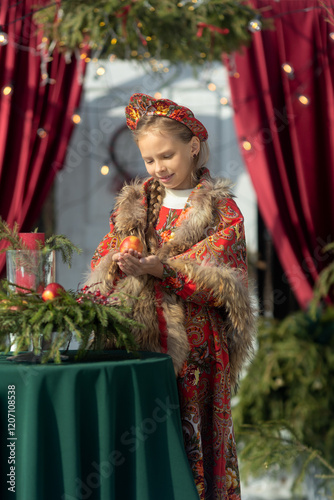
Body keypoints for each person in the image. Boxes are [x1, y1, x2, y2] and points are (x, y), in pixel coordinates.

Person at [86, 93, 255, 500]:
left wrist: (162, 269)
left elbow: (222, 280)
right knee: (137, 444)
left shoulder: (222, 211)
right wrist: (119, 260)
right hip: (137, 342)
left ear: (193, 146)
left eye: (167, 156)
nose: (158, 168)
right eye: (149, 160)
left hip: (196, 354)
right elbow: (102, 256)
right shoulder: (134, 205)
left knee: (189, 443)